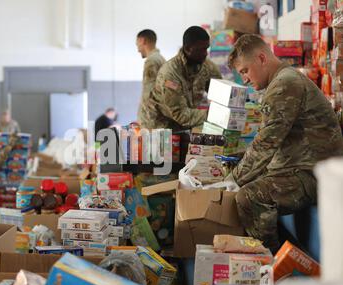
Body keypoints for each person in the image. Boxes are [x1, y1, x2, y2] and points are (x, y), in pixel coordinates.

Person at [227, 34, 343, 253]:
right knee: (244, 176)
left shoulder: (284, 84)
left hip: (315, 175)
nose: (245, 80)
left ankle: (271, 265)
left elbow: (265, 145)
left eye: (244, 71)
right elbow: (267, 141)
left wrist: (231, 180)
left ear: (261, 58)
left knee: (249, 196)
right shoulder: (280, 81)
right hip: (300, 168)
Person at [140, 26, 222, 131]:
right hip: (160, 128)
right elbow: (180, 114)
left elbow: (222, 93)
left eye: (206, 48)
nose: (205, 53)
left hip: (184, 126)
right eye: (201, 49)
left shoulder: (206, 66)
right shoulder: (170, 74)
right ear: (188, 49)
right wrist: (215, 115)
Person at [136, 29, 166, 124]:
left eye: (137, 44)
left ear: (142, 40)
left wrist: (145, 122)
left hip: (151, 122)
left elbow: (148, 96)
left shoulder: (152, 61)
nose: (138, 50)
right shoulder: (160, 59)